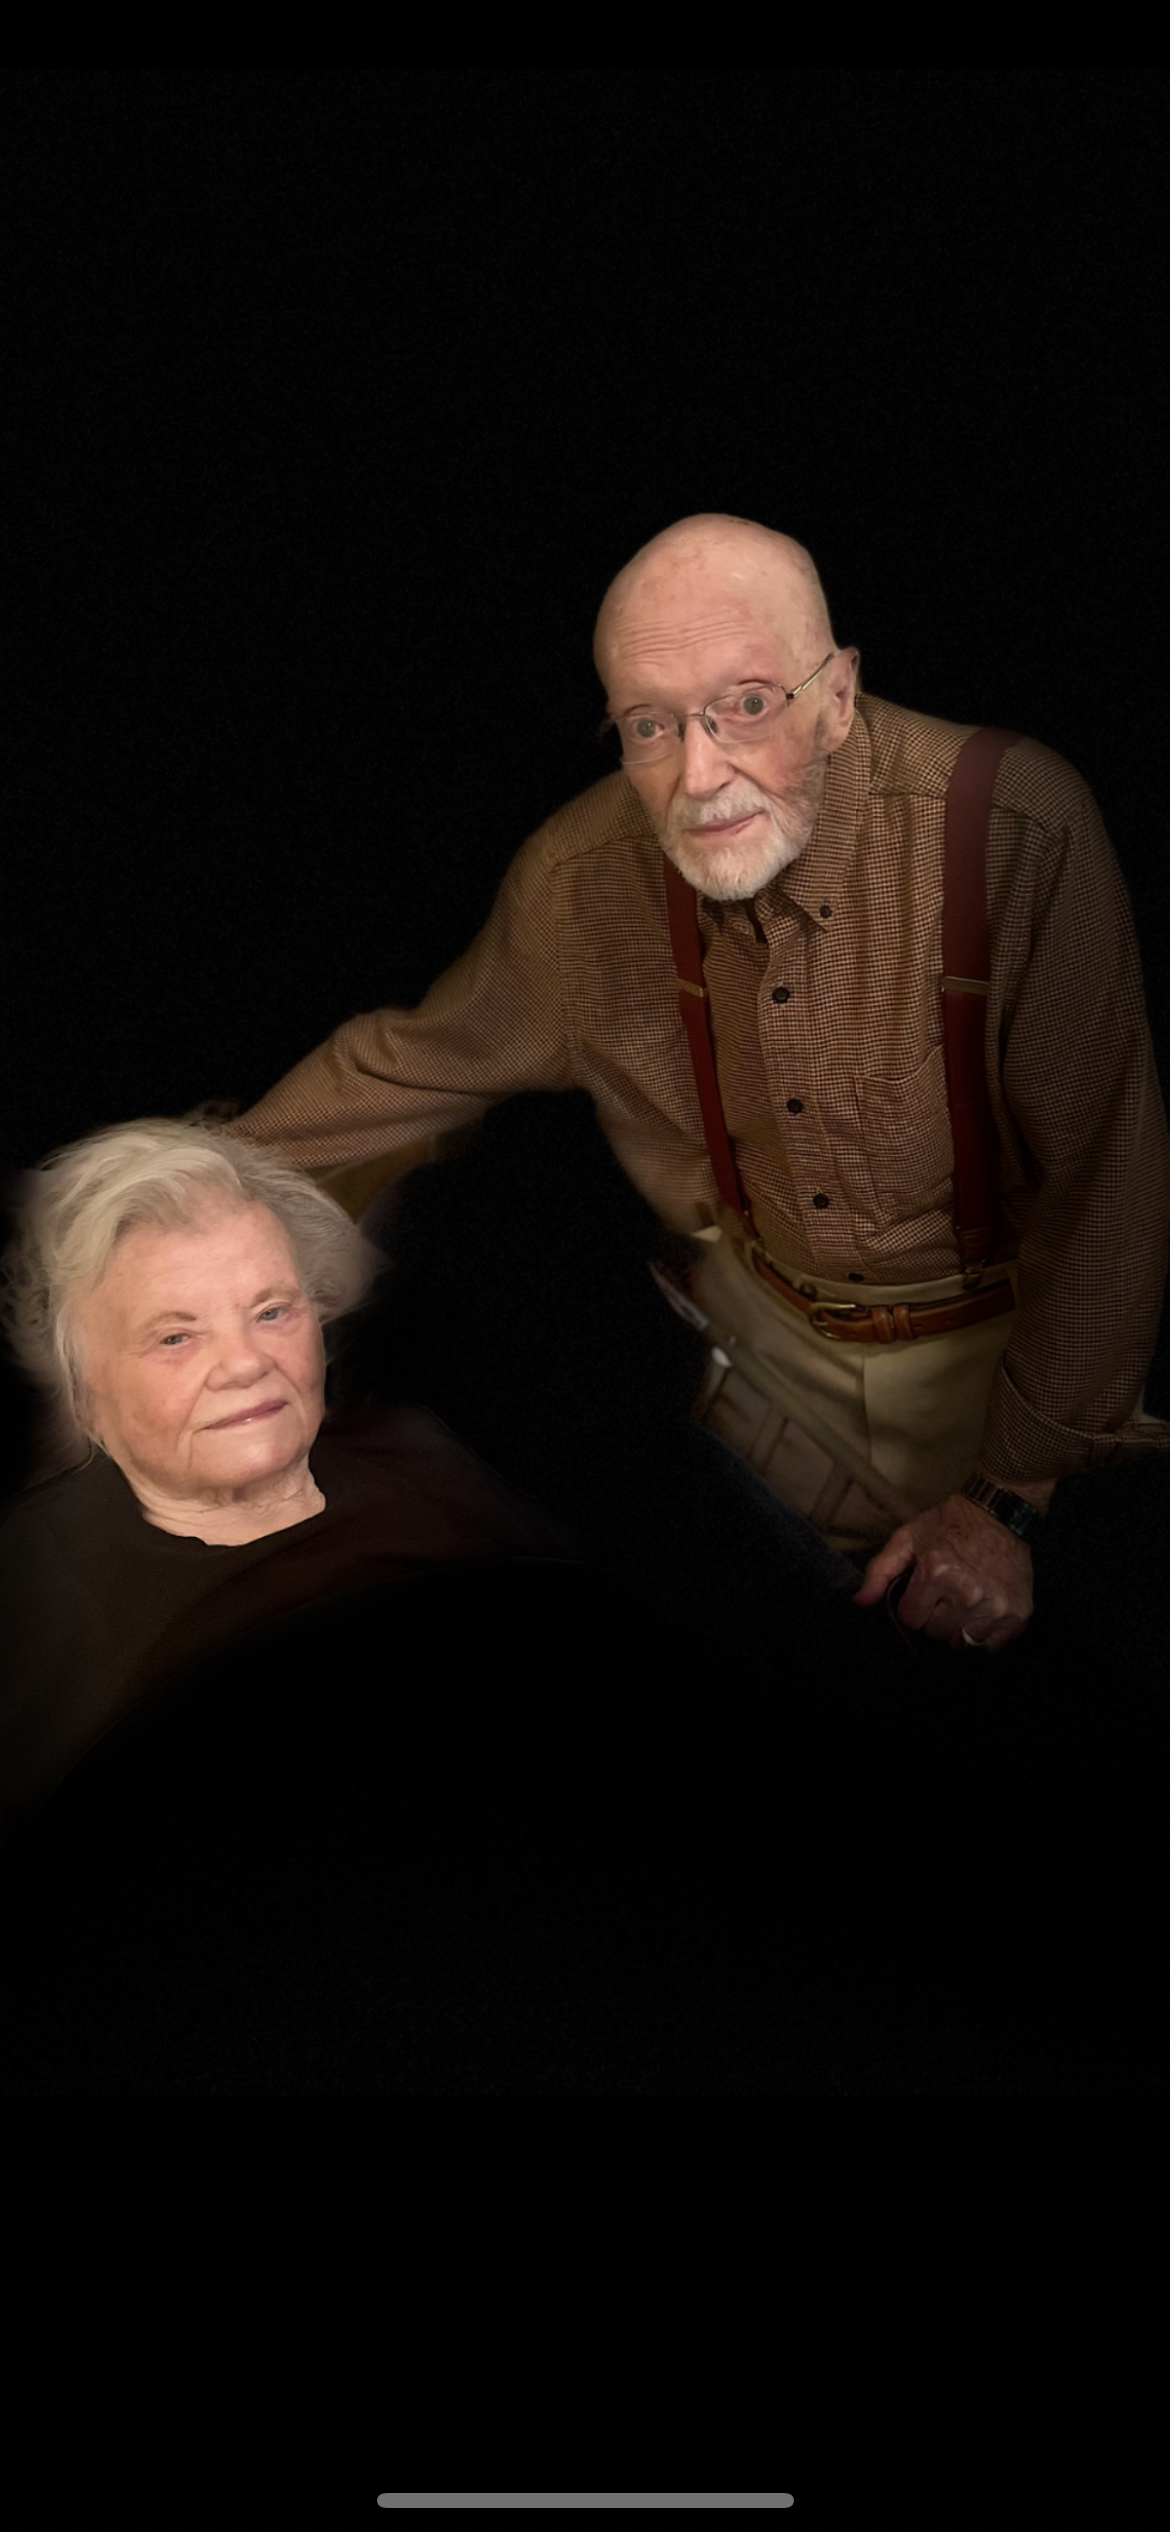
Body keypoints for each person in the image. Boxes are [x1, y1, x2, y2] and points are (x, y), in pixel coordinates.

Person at [221, 514, 1170, 1654]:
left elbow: (1106, 1195)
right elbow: (409, 1067)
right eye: (651, 725)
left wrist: (1009, 1498)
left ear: (839, 692)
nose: (700, 772)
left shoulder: (1017, 830)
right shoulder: (581, 880)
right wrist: (175, 1211)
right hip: (761, 1363)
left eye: (749, 704)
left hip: (1007, 1371)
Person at [0, 1115, 589, 1825]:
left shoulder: (420, 1452)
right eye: (176, 1336)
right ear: (85, 1392)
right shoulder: (39, 1589)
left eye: (272, 1311)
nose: (246, 1363)